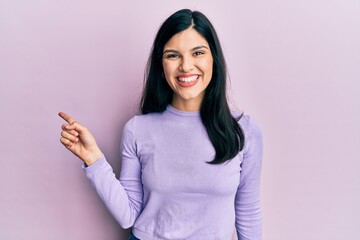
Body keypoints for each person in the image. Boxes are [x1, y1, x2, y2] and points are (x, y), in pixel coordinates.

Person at [59, 9, 263, 240]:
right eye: (173, 55)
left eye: (197, 53)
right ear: (161, 64)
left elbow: (248, 212)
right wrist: (94, 159)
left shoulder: (244, 131)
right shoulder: (137, 130)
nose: (186, 66)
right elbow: (129, 216)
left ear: (213, 58)